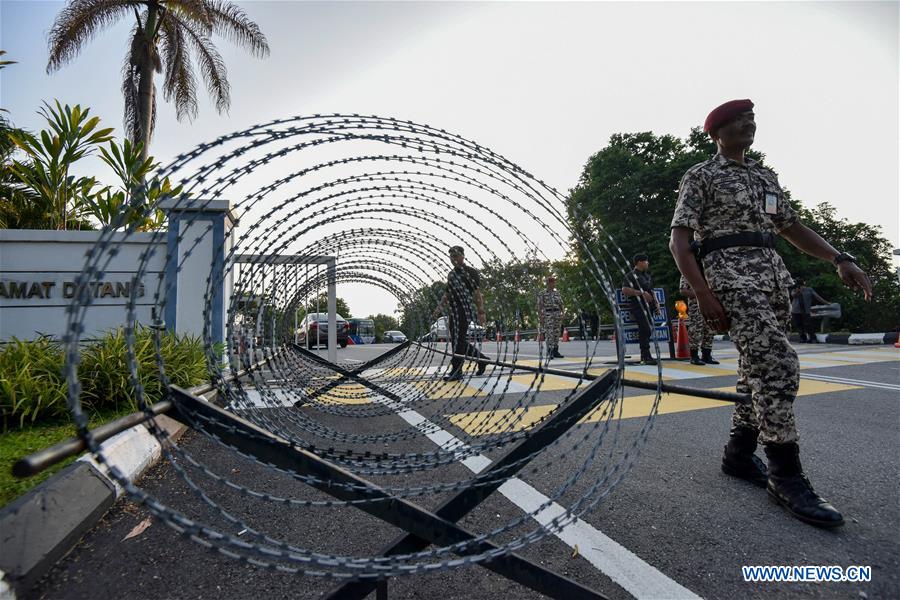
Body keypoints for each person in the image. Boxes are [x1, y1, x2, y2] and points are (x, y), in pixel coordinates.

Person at [670, 98, 872, 529]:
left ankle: (739, 454)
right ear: (717, 132)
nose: (749, 124)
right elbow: (680, 242)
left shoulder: (765, 177)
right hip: (729, 277)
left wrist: (839, 258)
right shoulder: (701, 175)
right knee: (779, 365)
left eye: (752, 119)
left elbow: (791, 227)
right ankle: (785, 475)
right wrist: (703, 292)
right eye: (739, 119)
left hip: (773, 278)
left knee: (755, 370)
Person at [433, 246, 488, 381]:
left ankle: (457, 370)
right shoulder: (451, 274)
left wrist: (481, 311)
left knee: (458, 340)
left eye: (456, 256)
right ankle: (481, 360)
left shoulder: (470, 272)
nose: (453, 259)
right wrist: (439, 307)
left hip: (465, 309)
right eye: (451, 257)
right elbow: (448, 293)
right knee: (458, 340)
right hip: (454, 310)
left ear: (463, 256)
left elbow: (477, 293)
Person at [621, 253, 660, 365]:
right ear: (639, 262)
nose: (648, 263)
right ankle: (645, 356)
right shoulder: (631, 275)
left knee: (648, 330)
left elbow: (651, 291)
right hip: (638, 307)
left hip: (649, 307)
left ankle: (647, 355)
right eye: (646, 261)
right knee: (645, 329)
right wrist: (641, 293)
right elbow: (625, 290)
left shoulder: (646, 276)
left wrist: (656, 303)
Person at [679, 274, 719, 365]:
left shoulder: (708, 272)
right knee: (695, 330)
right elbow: (683, 291)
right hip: (696, 307)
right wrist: (700, 294)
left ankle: (706, 355)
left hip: (710, 305)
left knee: (710, 329)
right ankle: (694, 356)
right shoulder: (688, 272)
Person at [790, 279, 829, 343]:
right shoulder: (795, 290)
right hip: (796, 310)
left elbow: (817, 297)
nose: (801, 287)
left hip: (806, 310)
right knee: (799, 325)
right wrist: (798, 291)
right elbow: (793, 295)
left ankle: (812, 338)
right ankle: (803, 338)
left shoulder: (809, 289)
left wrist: (826, 303)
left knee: (808, 325)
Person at [537, 275, 565, 359]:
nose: (554, 284)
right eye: (552, 282)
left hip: (557, 314)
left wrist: (563, 313)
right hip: (548, 315)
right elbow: (539, 306)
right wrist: (540, 317)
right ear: (548, 283)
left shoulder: (557, 293)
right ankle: (549, 351)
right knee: (549, 333)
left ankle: (555, 351)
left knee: (556, 333)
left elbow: (561, 304)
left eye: (554, 282)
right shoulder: (542, 293)